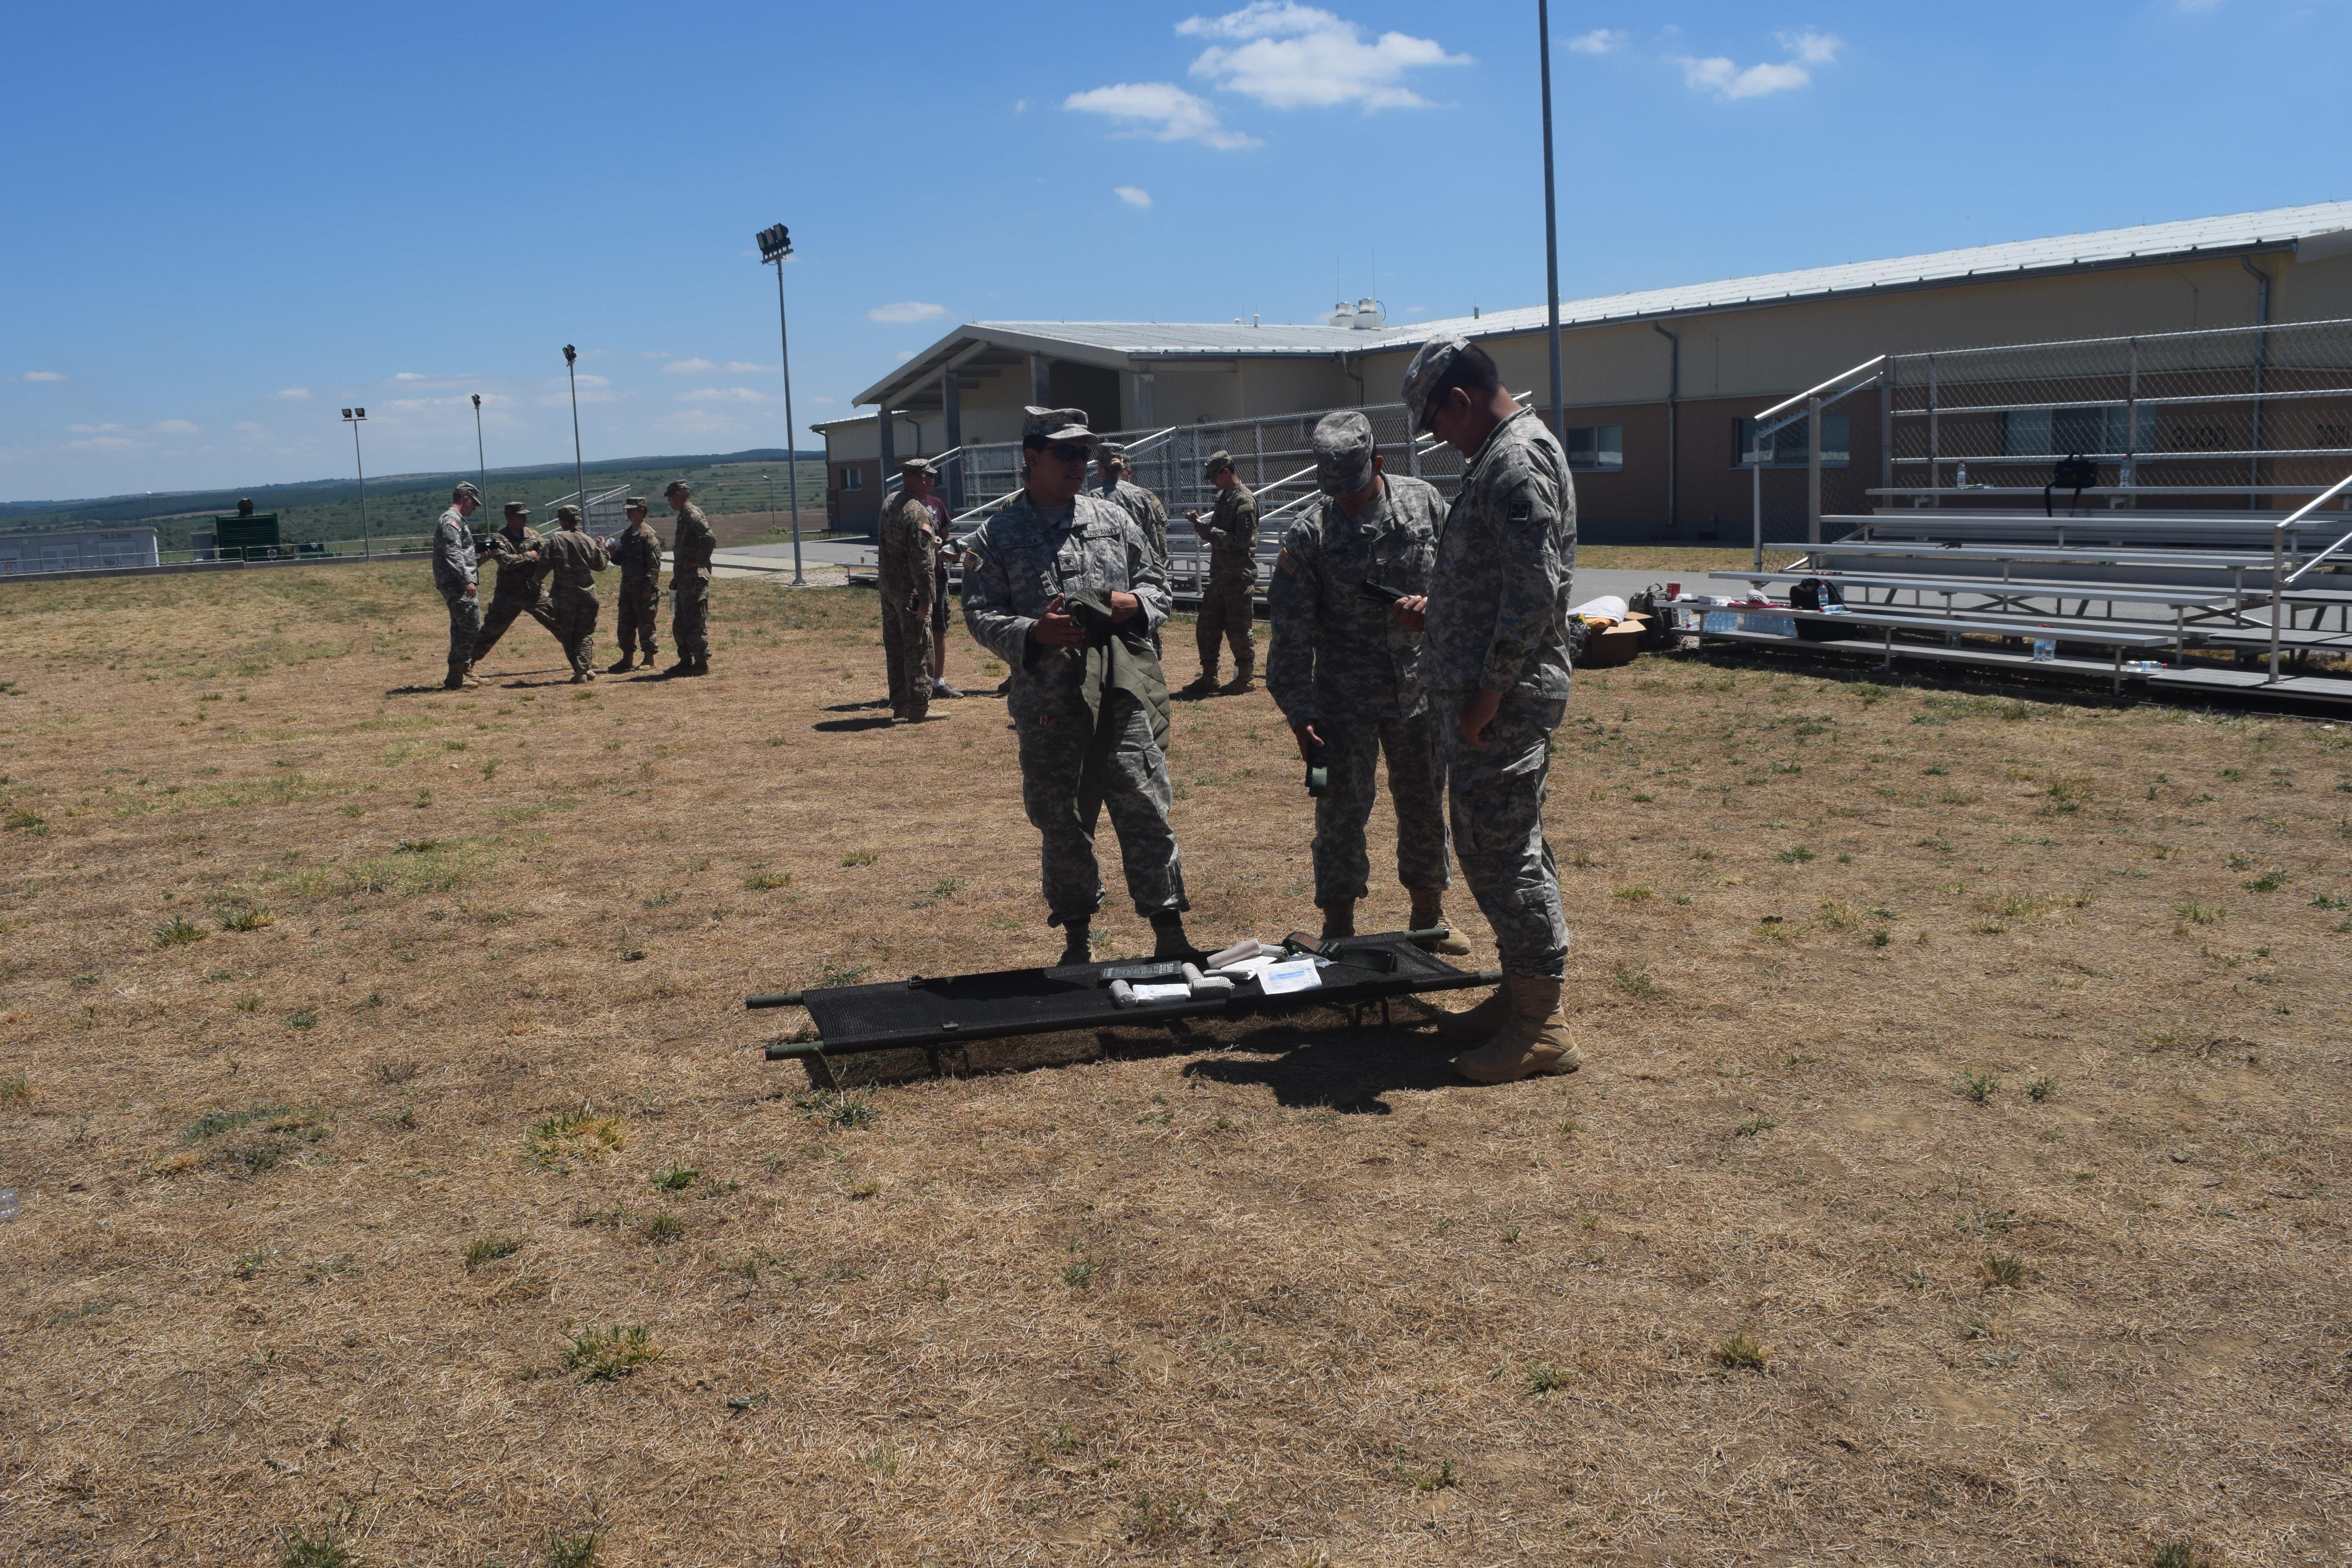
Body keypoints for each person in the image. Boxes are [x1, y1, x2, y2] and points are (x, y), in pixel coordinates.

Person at [1393, 337, 1579, 1084]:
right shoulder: (1502, 455)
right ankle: (1519, 997)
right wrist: (1441, 614)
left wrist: (1488, 693)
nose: (1438, 437)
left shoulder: (1514, 461)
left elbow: (1534, 589)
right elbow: (1497, 580)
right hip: (1487, 690)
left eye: (1436, 421)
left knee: (1504, 854)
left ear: (1462, 401)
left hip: (1500, 700)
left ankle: (1542, 1025)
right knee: (1501, 845)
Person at [961, 407, 1196, 966]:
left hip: (1121, 695)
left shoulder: (1113, 518)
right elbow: (978, 613)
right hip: (1050, 705)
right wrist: (1033, 632)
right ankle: (1076, 942)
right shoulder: (998, 536)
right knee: (1063, 821)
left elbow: (1157, 582)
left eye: (1084, 452)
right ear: (1032, 457)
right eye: (1065, 452)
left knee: (1145, 808)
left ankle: (1169, 931)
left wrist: (1134, 604)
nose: (1079, 463)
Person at [1267, 411, 1468, 952]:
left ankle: (1429, 919)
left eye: (1353, 488)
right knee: (1338, 811)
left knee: (1425, 803)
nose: (1346, 500)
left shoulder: (1426, 504)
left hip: (1419, 692)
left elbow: (1466, 577)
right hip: (1342, 703)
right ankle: (1338, 930)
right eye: (1334, 490)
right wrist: (1300, 714)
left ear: (1378, 464)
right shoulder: (1310, 534)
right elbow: (1289, 638)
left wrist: (1437, 609)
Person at [1182, 451, 1258, 694]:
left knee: (1238, 627)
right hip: (1220, 575)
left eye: (1215, 477)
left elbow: (1242, 541)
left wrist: (1209, 532)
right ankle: (1209, 676)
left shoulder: (1244, 500)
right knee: (1207, 625)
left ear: (1226, 472)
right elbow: (1220, 532)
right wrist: (1202, 527)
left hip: (1238, 576)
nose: (1213, 482)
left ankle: (1246, 677)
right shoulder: (1224, 497)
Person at [1094, 442, 1171, 657]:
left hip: (1107, 575)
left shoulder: (1093, 497)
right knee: (1142, 624)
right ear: (1123, 468)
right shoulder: (1141, 496)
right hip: (1138, 571)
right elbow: (1154, 542)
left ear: (1100, 467)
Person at [877, 457, 939, 722]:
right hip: (910, 592)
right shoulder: (918, 513)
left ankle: (900, 703)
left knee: (896, 647)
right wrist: (926, 600)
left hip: (889, 588)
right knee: (918, 648)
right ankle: (919, 707)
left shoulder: (891, 501)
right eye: (931, 477)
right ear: (922, 478)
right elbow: (923, 563)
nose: (932, 482)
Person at [470, 503, 563, 669]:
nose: (525, 518)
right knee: (491, 631)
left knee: (561, 623)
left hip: (535, 592)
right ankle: (465, 666)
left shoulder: (533, 534)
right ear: (510, 517)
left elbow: (545, 554)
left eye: (525, 515)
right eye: (521, 515)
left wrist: (529, 556)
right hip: (509, 595)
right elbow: (506, 562)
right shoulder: (498, 539)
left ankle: (582, 659)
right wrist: (531, 555)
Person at [541, 504, 610, 684]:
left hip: (564, 597)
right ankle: (585, 667)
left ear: (562, 521)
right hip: (587, 595)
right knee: (585, 633)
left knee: (568, 633)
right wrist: (602, 547)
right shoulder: (587, 540)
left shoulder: (555, 539)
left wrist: (536, 579)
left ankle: (581, 670)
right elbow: (601, 566)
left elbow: (544, 564)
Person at [914, 469, 962, 700]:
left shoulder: (937, 504)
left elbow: (946, 535)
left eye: (933, 477)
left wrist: (951, 551)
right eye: (928, 476)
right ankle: (913, 683)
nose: (931, 481)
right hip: (914, 579)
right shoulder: (906, 505)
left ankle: (938, 682)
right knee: (915, 629)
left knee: (939, 628)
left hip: (938, 576)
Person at [432, 482, 485, 690]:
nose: (475, 507)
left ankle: (462, 672)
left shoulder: (456, 520)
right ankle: (456, 675)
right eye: (474, 503)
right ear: (465, 499)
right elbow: (452, 552)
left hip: (457, 580)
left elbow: (462, 554)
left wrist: (481, 559)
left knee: (461, 627)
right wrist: (467, 580)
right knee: (470, 626)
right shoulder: (451, 520)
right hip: (457, 583)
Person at [605, 496, 664, 673]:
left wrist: (649, 586)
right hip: (628, 587)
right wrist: (613, 553)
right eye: (627, 510)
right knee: (625, 623)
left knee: (646, 623)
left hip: (644, 588)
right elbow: (621, 561)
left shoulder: (648, 535)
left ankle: (649, 658)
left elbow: (654, 565)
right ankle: (627, 658)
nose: (628, 513)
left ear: (642, 511)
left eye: (632, 510)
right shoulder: (628, 534)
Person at [664, 480, 715, 676]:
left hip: (695, 579)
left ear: (678, 494)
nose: (669, 501)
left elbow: (710, 539)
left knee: (695, 620)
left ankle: (701, 663)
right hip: (685, 579)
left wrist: (698, 562)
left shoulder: (692, 515)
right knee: (681, 621)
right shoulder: (684, 516)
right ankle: (685, 660)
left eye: (670, 496)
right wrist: (677, 577)